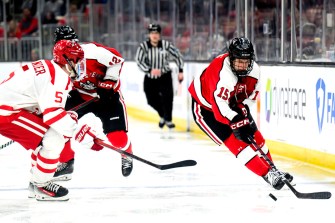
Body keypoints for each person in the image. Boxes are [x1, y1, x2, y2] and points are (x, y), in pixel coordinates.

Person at [188, 37, 293, 190]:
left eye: (246, 61)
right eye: (239, 61)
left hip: (232, 103)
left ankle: (274, 171)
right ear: (231, 58)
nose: (243, 66)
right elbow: (220, 109)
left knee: (255, 135)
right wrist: (236, 120)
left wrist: (242, 111)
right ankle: (267, 174)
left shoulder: (255, 71)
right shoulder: (223, 76)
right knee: (236, 141)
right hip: (206, 108)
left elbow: (251, 98)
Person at [0, 40, 84, 201]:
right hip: (7, 113)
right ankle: (41, 184)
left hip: (10, 108)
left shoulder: (48, 66)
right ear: (67, 60)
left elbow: (44, 108)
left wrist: (67, 119)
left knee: (49, 136)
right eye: (76, 60)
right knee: (54, 139)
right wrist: (79, 131)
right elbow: (53, 116)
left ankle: (36, 181)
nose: (79, 65)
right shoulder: (59, 77)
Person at [51, 25, 134, 182]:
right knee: (59, 124)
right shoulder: (57, 62)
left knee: (118, 139)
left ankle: (126, 152)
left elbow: (117, 61)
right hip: (80, 96)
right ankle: (66, 162)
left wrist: (108, 81)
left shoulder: (94, 52)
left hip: (106, 97)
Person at [135, 23, 184, 130]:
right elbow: (139, 61)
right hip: (150, 77)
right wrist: (149, 70)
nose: (154, 35)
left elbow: (178, 55)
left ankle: (169, 120)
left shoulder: (166, 45)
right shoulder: (143, 47)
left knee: (168, 98)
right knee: (151, 100)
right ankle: (163, 115)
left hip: (165, 76)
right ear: (149, 34)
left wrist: (180, 70)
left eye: (156, 33)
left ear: (159, 34)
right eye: (152, 33)